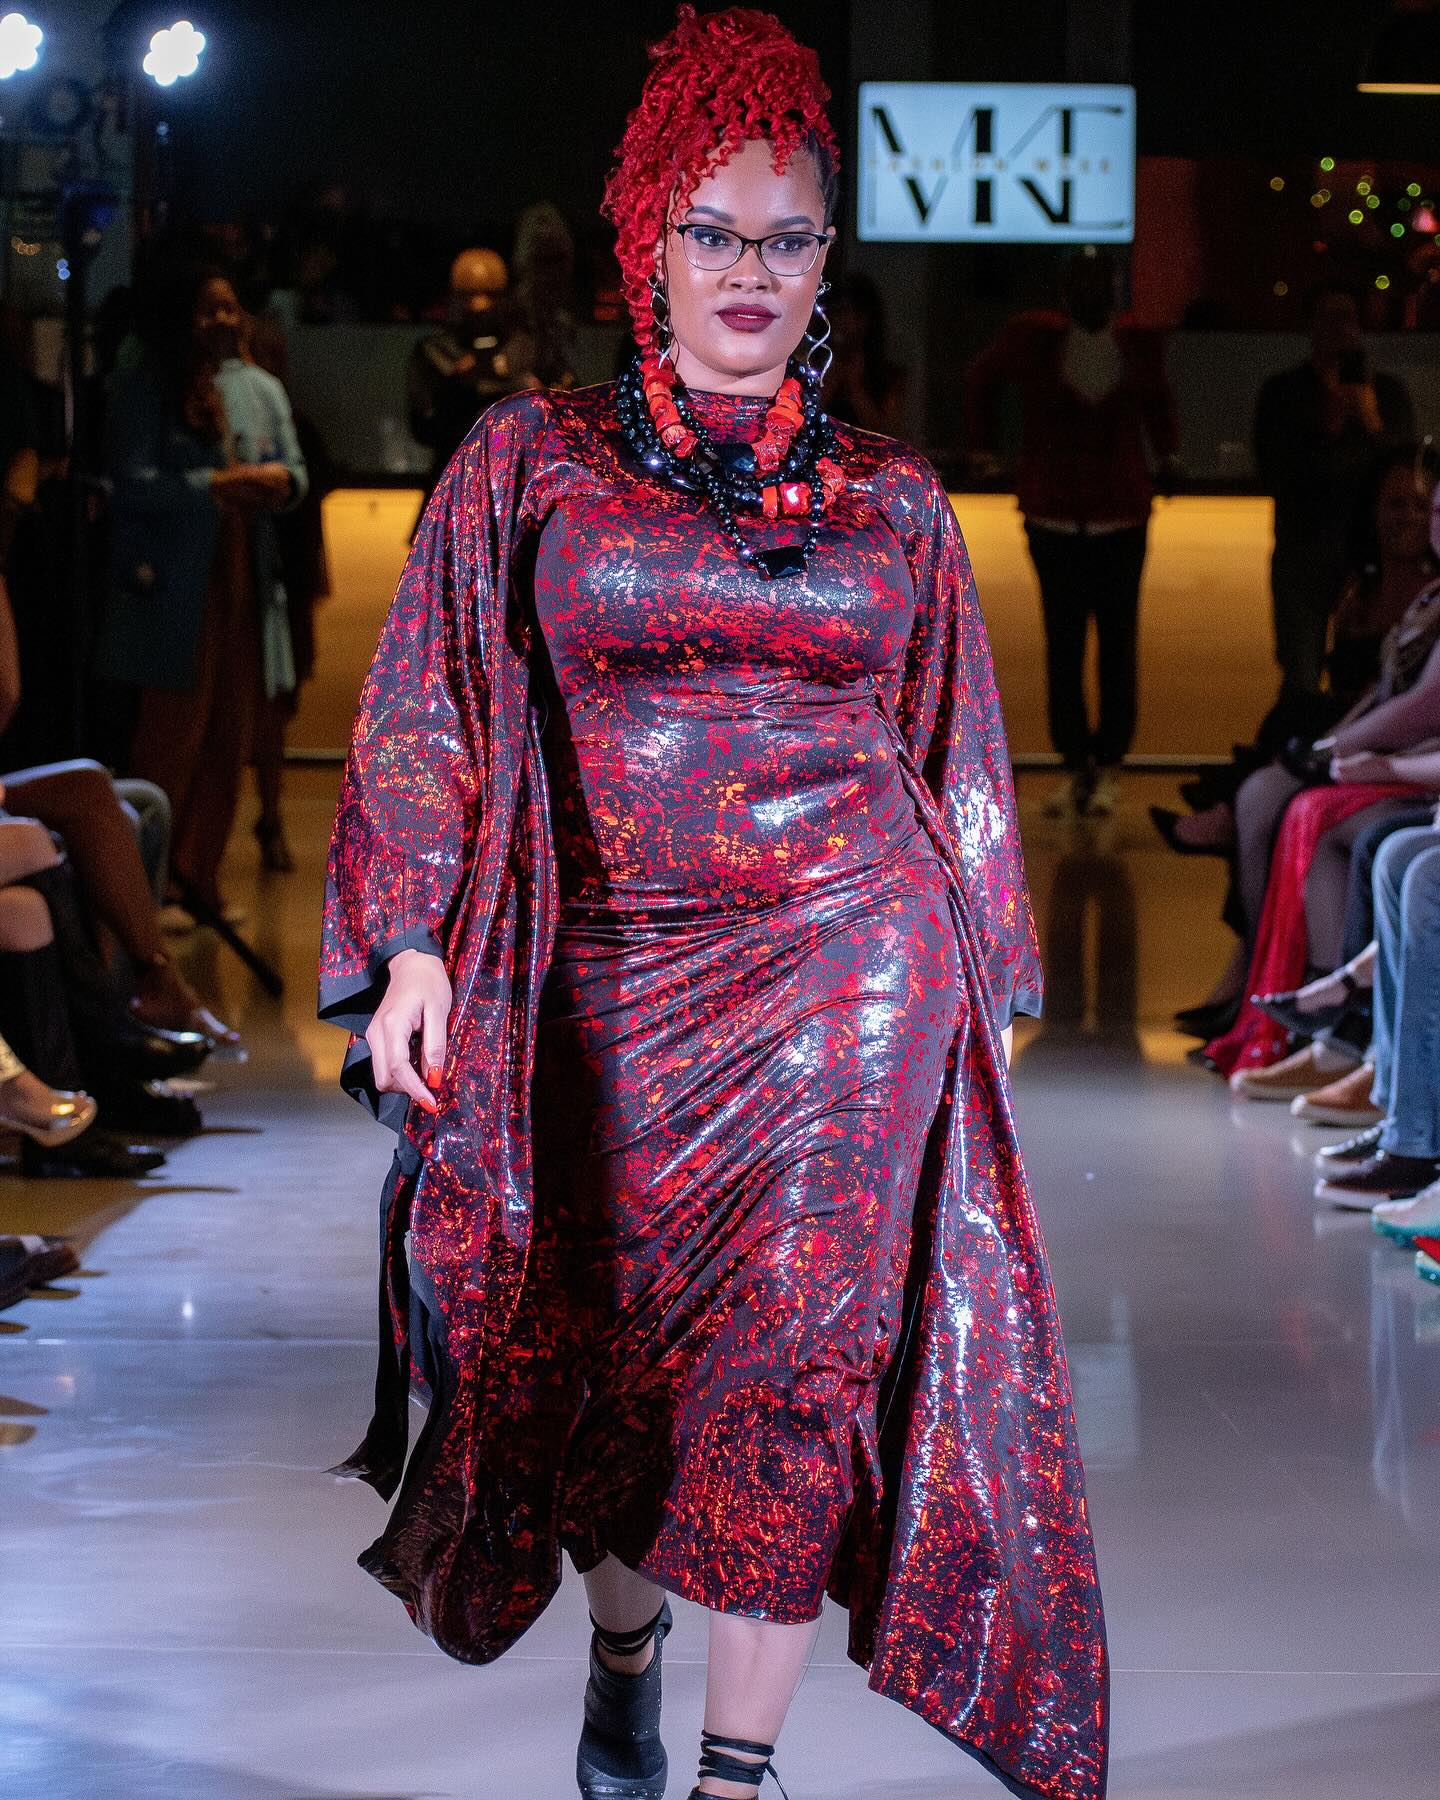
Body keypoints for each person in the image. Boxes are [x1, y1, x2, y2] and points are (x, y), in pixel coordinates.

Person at [318, 12, 1106, 1800]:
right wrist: (418, 943)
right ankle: (624, 1657)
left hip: (853, 968)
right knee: (607, 1366)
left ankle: (733, 1780)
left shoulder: (898, 498)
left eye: (790, 237)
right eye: (715, 233)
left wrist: (981, 976)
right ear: (645, 245)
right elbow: (431, 697)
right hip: (607, 980)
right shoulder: (529, 461)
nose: (752, 272)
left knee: (805, 1372)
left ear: (831, 262)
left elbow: (954, 748)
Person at [94, 262, 308, 922]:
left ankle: (197, 875)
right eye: (206, 308)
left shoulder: (245, 386)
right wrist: (211, 489)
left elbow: (294, 470)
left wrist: (274, 484)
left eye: (229, 307)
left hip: (233, 571)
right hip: (175, 586)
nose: (221, 321)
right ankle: (141, 891)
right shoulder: (145, 382)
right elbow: (127, 485)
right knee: (170, 738)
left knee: (226, 732)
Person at [964, 247, 1179, 820]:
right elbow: (981, 380)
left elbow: (1160, 406)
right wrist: (983, 448)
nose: (1091, 293)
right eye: (1079, 282)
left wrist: (1169, 456)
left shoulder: (1137, 342)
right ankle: (1074, 764)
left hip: (1120, 513)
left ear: (1113, 289)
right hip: (1053, 514)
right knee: (1062, 645)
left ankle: (1107, 764)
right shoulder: (1031, 339)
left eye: (1100, 281)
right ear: (1062, 291)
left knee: (1116, 644)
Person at [1253, 282, 1414, 729]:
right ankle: (1293, 766)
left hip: (1369, 555)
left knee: (1370, 671)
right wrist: (1340, 433)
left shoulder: (1387, 394)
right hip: (1303, 549)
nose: (1338, 330)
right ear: (1309, 327)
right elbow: (1281, 471)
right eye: (1327, 318)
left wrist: (1369, 419)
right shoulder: (1284, 393)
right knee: (1300, 673)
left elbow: (1402, 473)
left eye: (1347, 318)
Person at [405, 246, 529, 514]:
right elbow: (422, 426)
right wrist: (457, 390)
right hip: (455, 484)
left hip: (517, 486)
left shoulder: (526, 349)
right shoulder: (436, 352)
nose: (480, 306)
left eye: (489, 295)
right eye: (469, 296)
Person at [820, 270, 907, 436]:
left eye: (852, 313)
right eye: (838, 312)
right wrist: (831, 378)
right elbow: (802, 424)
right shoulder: (810, 370)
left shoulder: (888, 376)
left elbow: (887, 434)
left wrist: (855, 387)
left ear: (868, 319)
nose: (843, 321)